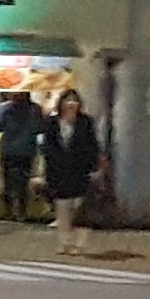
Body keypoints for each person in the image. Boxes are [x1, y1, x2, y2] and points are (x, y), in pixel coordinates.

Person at [41, 89, 104, 255]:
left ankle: (80, 244)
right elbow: (47, 147)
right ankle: (64, 243)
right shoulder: (52, 122)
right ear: (61, 103)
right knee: (62, 208)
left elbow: (93, 146)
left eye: (74, 101)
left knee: (80, 209)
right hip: (58, 172)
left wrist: (94, 168)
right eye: (67, 100)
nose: (71, 104)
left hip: (80, 171)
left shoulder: (85, 122)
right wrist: (46, 170)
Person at [0, 86, 48, 222]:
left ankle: (9, 210)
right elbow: (39, 128)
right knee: (23, 182)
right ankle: (21, 211)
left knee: (8, 181)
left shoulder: (5, 109)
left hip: (8, 149)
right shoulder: (35, 109)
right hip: (26, 150)